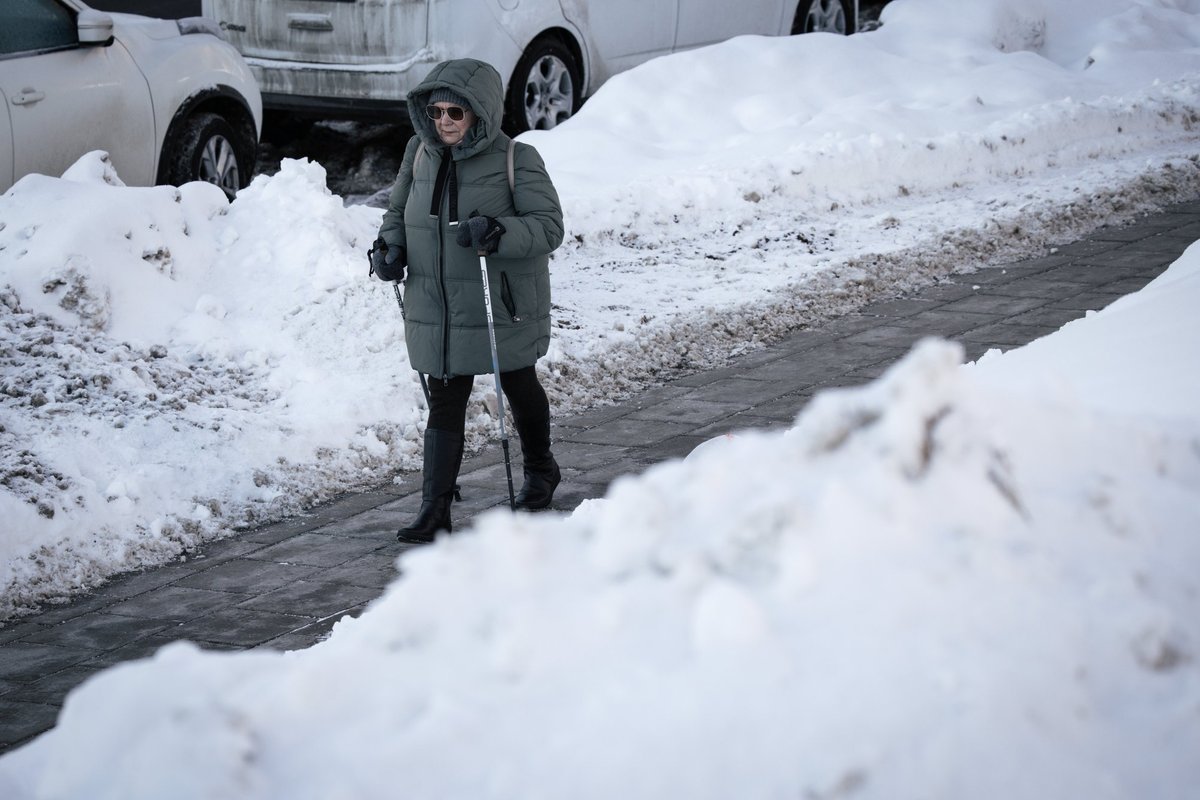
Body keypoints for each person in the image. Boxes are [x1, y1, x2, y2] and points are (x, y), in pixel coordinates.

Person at [369, 58, 565, 544]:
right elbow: (398, 211)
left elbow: (548, 227)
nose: (445, 122)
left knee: (518, 383)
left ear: (481, 112)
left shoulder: (516, 159)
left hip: (498, 301)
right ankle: (434, 509)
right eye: (435, 112)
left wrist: (499, 231)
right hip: (437, 302)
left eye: (456, 112)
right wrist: (389, 249)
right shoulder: (419, 153)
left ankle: (541, 470)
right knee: (445, 396)